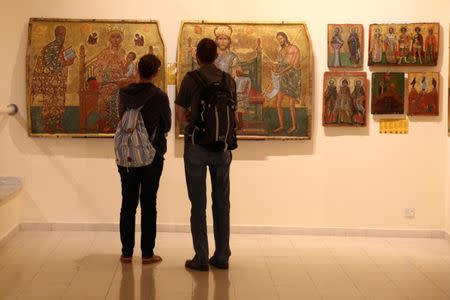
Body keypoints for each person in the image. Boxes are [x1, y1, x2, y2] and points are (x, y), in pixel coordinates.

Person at [175, 38, 236, 271]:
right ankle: (222, 255)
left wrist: (194, 119)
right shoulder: (228, 80)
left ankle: (201, 257)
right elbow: (233, 112)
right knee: (222, 202)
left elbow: (180, 115)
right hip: (222, 148)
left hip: (196, 148)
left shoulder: (191, 79)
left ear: (197, 57)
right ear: (216, 57)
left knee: (197, 203)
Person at [117, 54, 171, 264]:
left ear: (138, 70)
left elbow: (121, 119)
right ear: (156, 72)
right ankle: (147, 253)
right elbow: (166, 125)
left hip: (127, 156)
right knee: (149, 203)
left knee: (128, 203)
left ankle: (126, 253)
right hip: (152, 156)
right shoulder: (159, 96)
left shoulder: (124, 93)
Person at [31, 25, 76, 133]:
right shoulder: (49, 47)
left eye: (63, 34)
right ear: (55, 35)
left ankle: (58, 124)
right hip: (50, 81)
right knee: (49, 102)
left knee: (60, 102)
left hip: (60, 81)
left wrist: (70, 61)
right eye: (59, 34)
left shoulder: (63, 48)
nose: (61, 36)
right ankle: (47, 125)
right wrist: (63, 63)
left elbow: (65, 62)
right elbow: (49, 64)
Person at [272, 32, 301, 134]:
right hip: (283, 78)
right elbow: (280, 64)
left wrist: (280, 71)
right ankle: (281, 125)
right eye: (278, 40)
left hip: (292, 78)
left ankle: (294, 126)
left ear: (285, 38)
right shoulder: (281, 51)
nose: (280, 41)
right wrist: (275, 68)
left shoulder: (294, 49)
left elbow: (293, 65)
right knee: (278, 102)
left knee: (291, 104)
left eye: (281, 39)